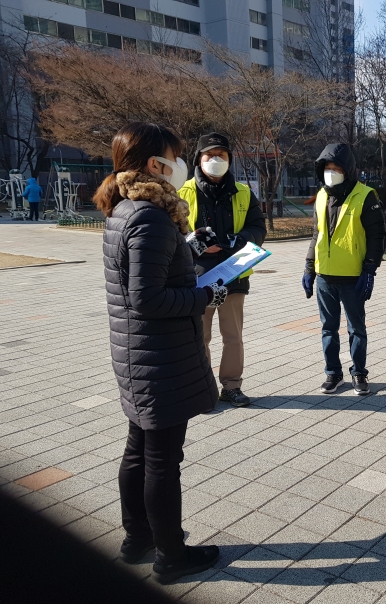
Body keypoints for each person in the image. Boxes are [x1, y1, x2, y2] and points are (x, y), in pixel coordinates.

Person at [96, 122, 225, 584]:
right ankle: (171, 555)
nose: (182, 165)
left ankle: (138, 539)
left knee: (140, 450)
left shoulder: (126, 209)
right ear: (155, 164)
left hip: (139, 353)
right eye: (176, 156)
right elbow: (147, 298)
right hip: (159, 357)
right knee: (161, 459)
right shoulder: (149, 216)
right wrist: (206, 297)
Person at [177, 133, 266, 407]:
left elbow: (258, 228)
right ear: (198, 159)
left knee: (233, 337)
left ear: (230, 159)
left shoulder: (242, 192)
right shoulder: (181, 192)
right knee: (198, 337)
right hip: (196, 277)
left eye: (222, 155)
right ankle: (200, 387)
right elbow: (171, 234)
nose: (215, 160)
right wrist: (196, 243)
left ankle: (231, 386)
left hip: (233, 274)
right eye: (209, 155)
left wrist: (231, 242)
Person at [303, 143, 385, 395]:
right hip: (325, 276)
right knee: (328, 328)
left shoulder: (366, 195)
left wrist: (370, 269)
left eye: (336, 167)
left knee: (356, 328)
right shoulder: (322, 196)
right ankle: (333, 372)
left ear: (347, 170)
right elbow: (317, 234)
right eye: (327, 168)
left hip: (353, 276)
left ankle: (359, 372)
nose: (331, 172)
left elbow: (376, 236)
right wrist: (308, 267)